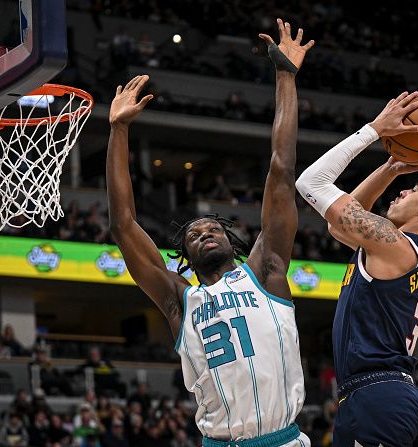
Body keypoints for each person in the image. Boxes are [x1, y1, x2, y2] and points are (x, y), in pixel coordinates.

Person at [106, 18, 314, 447]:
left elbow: (281, 168)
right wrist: (118, 130)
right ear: (185, 255)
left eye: (212, 228)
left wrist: (285, 78)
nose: (204, 232)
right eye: (194, 233)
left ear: (230, 240)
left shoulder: (267, 270)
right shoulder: (180, 299)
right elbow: (123, 224)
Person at [295, 91, 418, 446]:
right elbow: (338, 226)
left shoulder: (393, 244)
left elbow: (310, 183)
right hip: (395, 397)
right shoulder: (414, 254)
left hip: (378, 399)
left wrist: (373, 130)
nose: (400, 192)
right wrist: (390, 167)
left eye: (414, 189)